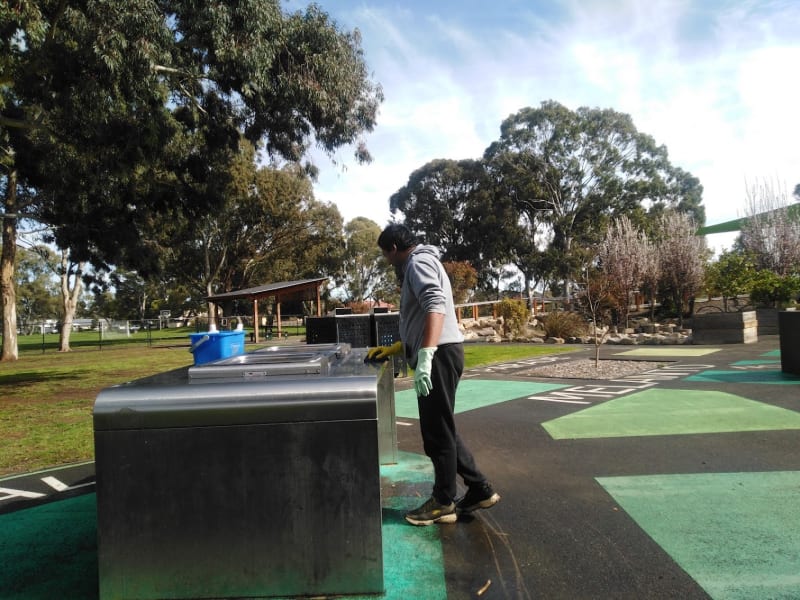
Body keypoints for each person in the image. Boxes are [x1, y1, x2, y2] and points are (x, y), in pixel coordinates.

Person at [369, 223, 500, 526]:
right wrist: (400, 348)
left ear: (393, 248)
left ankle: (443, 502)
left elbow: (435, 306)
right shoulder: (422, 262)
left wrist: (426, 355)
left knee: (436, 433)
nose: (388, 262)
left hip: (439, 355)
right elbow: (422, 315)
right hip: (441, 352)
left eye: (386, 255)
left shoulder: (418, 262)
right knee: (443, 427)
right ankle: (479, 488)